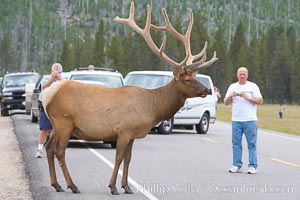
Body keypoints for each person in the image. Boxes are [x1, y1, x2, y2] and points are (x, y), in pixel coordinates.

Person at [224, 67, 263, 174]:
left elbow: (260, 100)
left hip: (250, 120)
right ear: (237, 75)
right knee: (236, 143)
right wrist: (231, 97)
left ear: (247, 75)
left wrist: (248, 98)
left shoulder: (252, 86)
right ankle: (236, 165)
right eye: (240, 74)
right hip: (236, 120)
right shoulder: (233, 86)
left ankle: (252, 166)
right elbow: (225, 103)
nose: (242, 76)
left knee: (251, 144)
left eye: (244, 74)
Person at [36, 63, 64, 158]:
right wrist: (52, 79)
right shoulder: (46, 78)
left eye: (58, 70)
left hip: (59, 108)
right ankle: (39, 149)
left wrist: (60, 80)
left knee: (58, 130)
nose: (57, 71)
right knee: (44, 129)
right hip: (47, 106)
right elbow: (44, 87)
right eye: (55, 69)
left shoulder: (64, 80)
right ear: (51, 70)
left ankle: (57, 150)